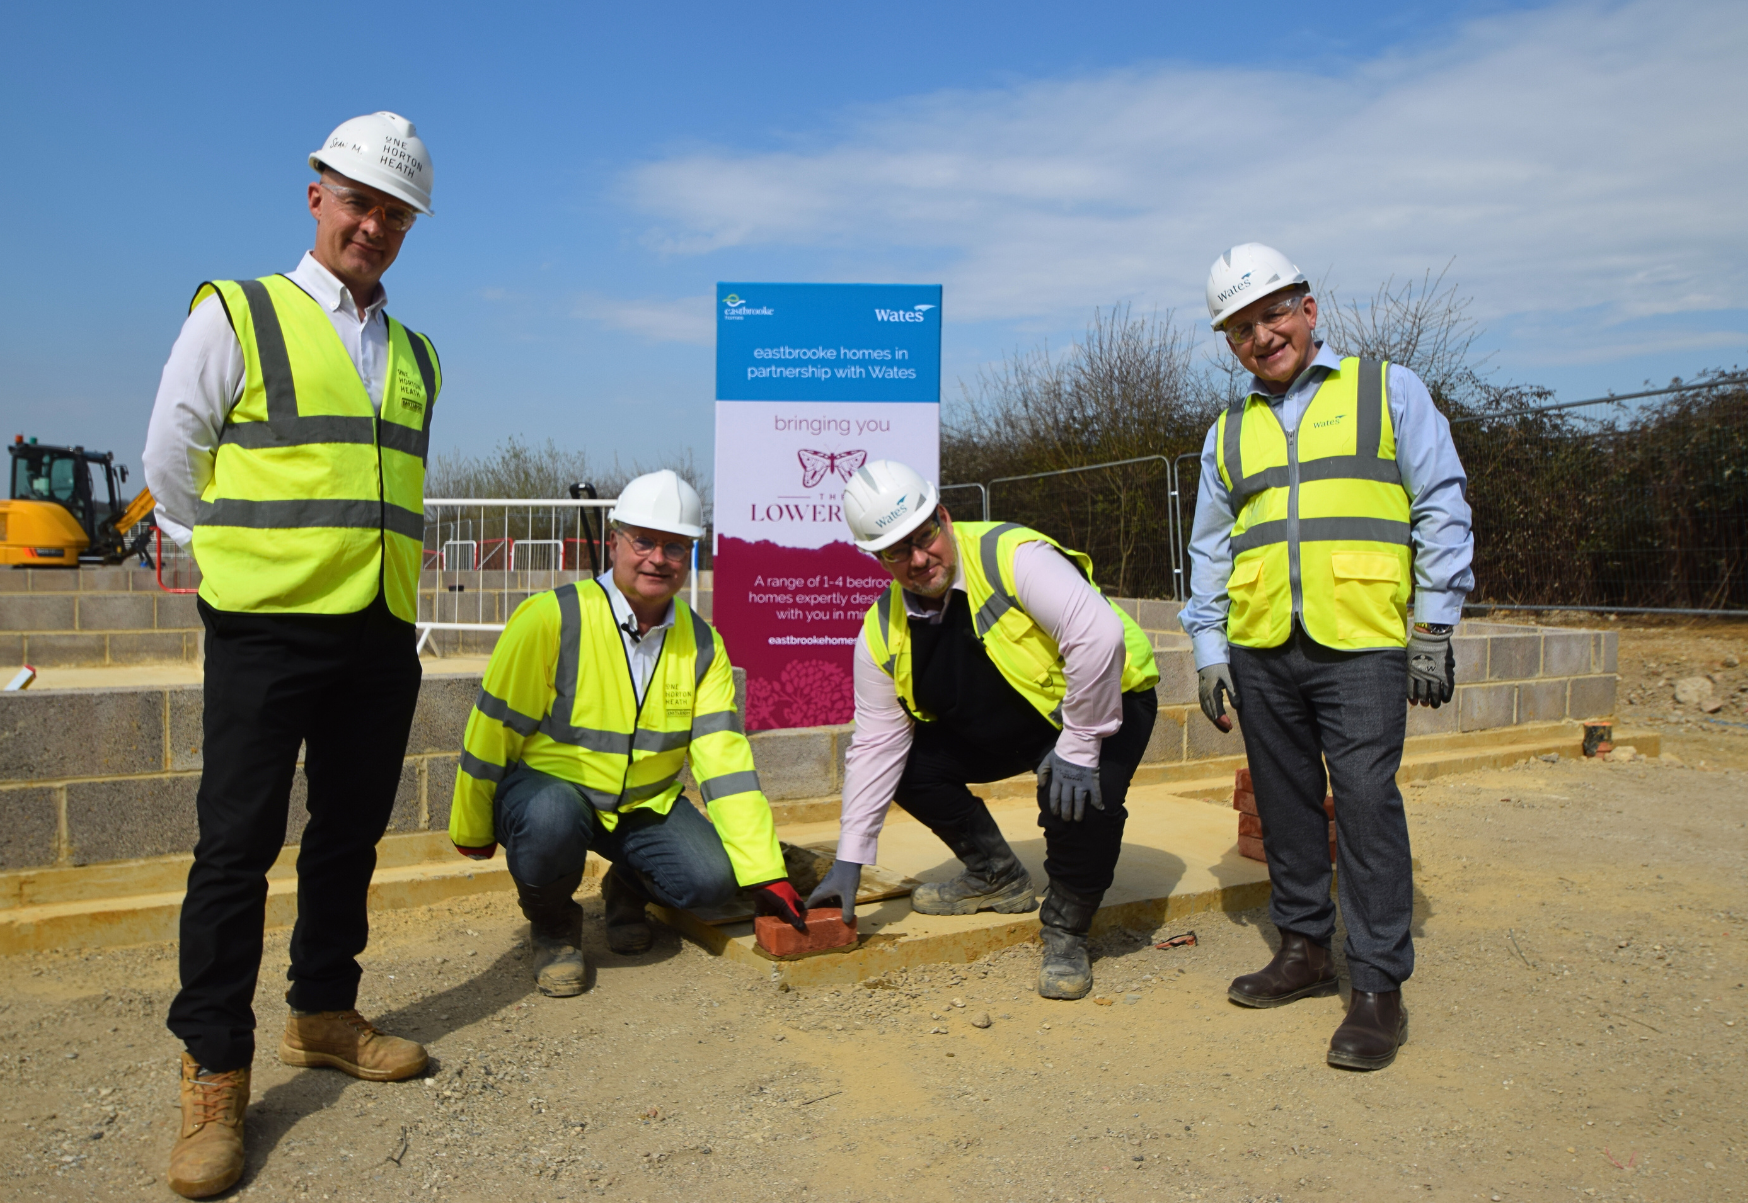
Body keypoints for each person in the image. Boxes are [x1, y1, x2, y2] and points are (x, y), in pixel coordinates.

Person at [142, 113, 442, 1198]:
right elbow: (170, 460)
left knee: (347, 836)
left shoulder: (415, 355)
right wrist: (230, 564)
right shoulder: (240, 312)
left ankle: (322, 1010)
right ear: (315, 194)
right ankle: (216, 1070)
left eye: (394, 211)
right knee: (235, 846)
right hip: (266, 630)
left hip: (375, 631)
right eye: (357, 198)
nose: (373, 223)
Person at [1181, 243, 1475, 1070]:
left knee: (1368, 805)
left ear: (1308, 309)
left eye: (1273, 313)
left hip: (1364, 642)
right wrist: (1209, 647)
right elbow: (1209, 548)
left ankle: (1378, 986)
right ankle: (1306, 951)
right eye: (1241, 327)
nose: (1262, 334)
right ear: (1230, 343)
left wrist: (1435, 626)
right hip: (1263, 645)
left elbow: (1441, 504)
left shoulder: (1387, 390)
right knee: (1284, 803)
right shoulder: (1228, 431)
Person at [805, 461, 1160, 999]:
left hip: (1105, 697)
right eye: (897, 551)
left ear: (943, 516)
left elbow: (1099, 637)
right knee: (905, 764)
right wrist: (850, 860)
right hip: (1016, 722)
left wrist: (1080, 744)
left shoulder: (1010, 555)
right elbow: (876, 745)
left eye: (925, 536)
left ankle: (1065, 929)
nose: (919, 559)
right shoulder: (880, 633)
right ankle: (996, 874)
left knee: (1078, 796)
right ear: (877, 559)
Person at [448, 470, 805, 995]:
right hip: (552, 795)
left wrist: (764, 871)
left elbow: (725, 763)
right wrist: (472, 829)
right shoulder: (551, 619)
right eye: (644, 541)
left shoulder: (703, 646)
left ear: (691, 556)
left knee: (711, 884)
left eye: (676, 546)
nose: (658, 558)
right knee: (550, 819)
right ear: (615, 540)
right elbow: (492, 730)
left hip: (642, 806)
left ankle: (626, 887)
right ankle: (552, 929)